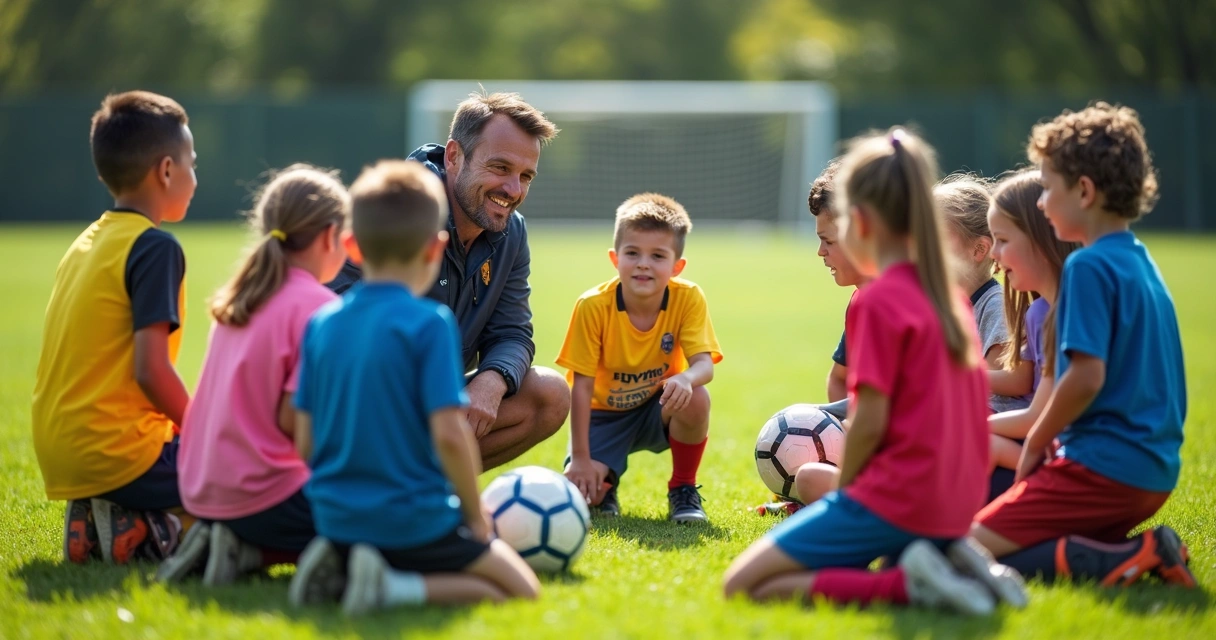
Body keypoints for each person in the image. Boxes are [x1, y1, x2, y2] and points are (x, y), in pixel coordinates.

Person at [723, 128, 1025, 615]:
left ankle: (910, 586)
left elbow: (868, 419)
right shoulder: (947, 294)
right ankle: (954, 557)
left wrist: (847, 497)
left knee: (743, 585)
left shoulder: (879, 298)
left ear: (857, 222)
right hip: (958, 499)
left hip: (900, 498)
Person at [289, 160, 540, 615]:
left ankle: (346, 557)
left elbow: (306, 436)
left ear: (351, 246)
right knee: (522, 589)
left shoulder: (320, 324)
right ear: (434, 248)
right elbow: (449, 433)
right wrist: (472, 515)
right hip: (413, 519)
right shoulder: (430, 325)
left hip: (332, 515)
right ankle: (391, 588)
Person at [970, 103, 1195, 588]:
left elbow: (1085, 377)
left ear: (1085, 192)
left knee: (956, 553)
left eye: (1049, 187)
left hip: (1098, 471)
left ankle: (1138, 552)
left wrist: (1036, 440)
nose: (1044, 202)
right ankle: (1121, 552)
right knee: (1009, 547)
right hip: (1152, 472)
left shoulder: (1087, 268)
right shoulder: (1140, 263)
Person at [326, 92, 569, 470]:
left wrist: (492, 381)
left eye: (525, 176)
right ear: (454, 156)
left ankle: (424, 490)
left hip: (437, 409)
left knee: (549, 395)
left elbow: (513, 333)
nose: (514, 190)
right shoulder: (392, 209)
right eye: (500, 167)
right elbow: (330, 324)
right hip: (365, 406)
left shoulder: (512, 233)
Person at [157, 165, 350, 586]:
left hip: (201, 494)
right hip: (262, 498)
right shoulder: (319, 307)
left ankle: (242, 547)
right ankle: (261, 548)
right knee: (382, 518)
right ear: (329, 237)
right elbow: (292, 421)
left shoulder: (240, 298)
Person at [33, 91, 196, 565]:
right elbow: (152, 371)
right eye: (192, 164)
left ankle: (107, 517)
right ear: (166, 170)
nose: (195, 177)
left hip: (61, 451)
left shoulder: (85, 242)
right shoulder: (155, 249)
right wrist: (205, 432)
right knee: (250, 479)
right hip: (119, 453)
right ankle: (149, 529)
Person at [558, 193, 723, 522]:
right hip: (602, 417)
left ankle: (683, 489)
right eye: (632, 253)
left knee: (696, 397)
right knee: (581, 498)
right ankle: (607, 483)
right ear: (614, 258)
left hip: (655, 407)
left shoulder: (688, 297)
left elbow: (704, 365)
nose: (643, 263)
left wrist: (686, 377)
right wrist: (580, 457)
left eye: (658, 255)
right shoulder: (592, 305)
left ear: (677, 266)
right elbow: (581, 387)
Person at [984, 170, 1078, 502]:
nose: (994, 254)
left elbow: (1037, 417)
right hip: (1040, 445)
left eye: (1003, 240)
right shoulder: (1037, 313)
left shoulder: (1075, 312)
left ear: (1042, 239)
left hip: (1068, 460)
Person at [936, 174, 1029, 414]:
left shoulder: (994, 304)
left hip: (993, 421)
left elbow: (994, 389)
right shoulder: (950, 307)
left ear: (979, 249)